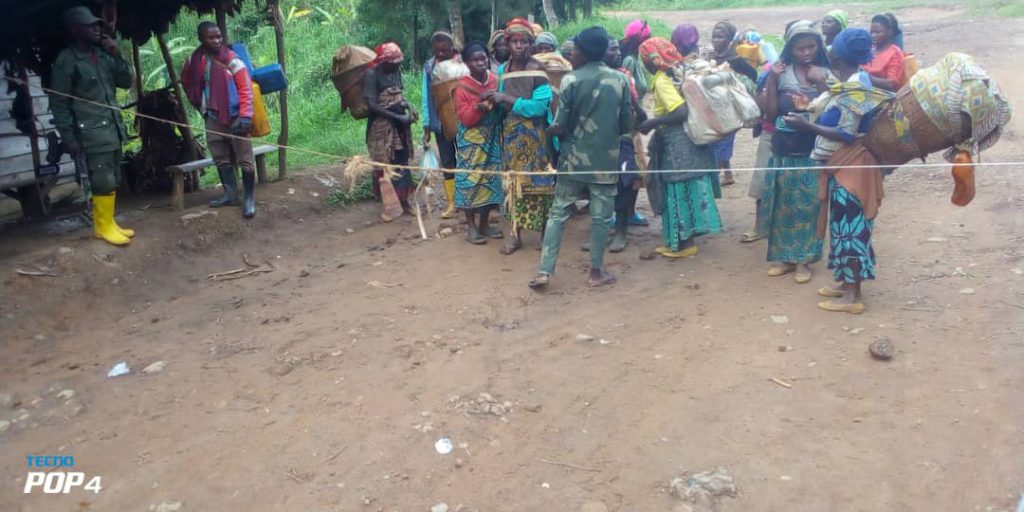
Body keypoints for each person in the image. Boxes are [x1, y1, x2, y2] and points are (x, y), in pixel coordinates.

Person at [783, 28, 891, 314]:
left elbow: (846, 132)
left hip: (852, 166)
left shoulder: (857, 85)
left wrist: (806, 126)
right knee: (841, 228)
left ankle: (853, 297)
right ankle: (845, 284)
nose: (827, 48)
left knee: (851, 230)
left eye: (833, 46)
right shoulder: (850, 80)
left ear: (840, 54)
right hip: (842, 165)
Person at [529, 26, 632, 289]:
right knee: (600, 218)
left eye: (574, 48)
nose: (571, 53)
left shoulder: (570, 80)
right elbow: (625, 125)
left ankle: (544, 271)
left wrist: (550, 130)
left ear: (584, 51)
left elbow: (561, 124)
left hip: (573, 159)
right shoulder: (619, 80)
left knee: (558, 214)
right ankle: (596, 273)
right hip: (605, 161)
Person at [50, 6, 135, 245]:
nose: (97, 29)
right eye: (90, 26)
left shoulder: (103, 54)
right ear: (75, 30)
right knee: (102, 179)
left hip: (113, 128)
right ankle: (102, 227)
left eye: (97, 25)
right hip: (92, 132)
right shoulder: (66, 61)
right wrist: (69, 138)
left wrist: (117, 54)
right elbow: (59, 103)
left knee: (113, 175)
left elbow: (126, 81)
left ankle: (108, 223)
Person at [758, 20, 831, 283]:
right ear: (790, 48)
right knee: (782, 205)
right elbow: (769, 113)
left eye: (811, 47)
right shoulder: (781, 71)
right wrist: (773, 79)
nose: (806, 52)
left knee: (809, 205)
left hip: (812, 148)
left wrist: (820, 84)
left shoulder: (823, 72)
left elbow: (830, 112)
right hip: (783, 147)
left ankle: (804, 261)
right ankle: (783, 258)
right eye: (800, 48)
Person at [637, 36, 723, 259]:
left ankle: (684, 242)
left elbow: (680, 111)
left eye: (644, 58)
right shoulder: (680, 70)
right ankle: (689, 236)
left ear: (651, 60)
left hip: (676, 143)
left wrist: (651, 123)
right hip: (692, 139)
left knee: (676, 189)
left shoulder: (662, 79)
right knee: (688, 187)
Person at [182, 21, 257, 218]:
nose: (216, 41)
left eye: (218, 37)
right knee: (220, 156)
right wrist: (199, 105)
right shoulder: (194, 61)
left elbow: (245, 88)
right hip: (213, 115)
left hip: (236, 116)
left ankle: (248, 199)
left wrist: (246, 116)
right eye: (211, 37)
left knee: (245, 158)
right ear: (201, 39)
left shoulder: (232, 59)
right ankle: (231, 194)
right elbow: (187, 81)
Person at [492, 18, 554, 255]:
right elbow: (500, 102)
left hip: (534, 136)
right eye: (514, 42)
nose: (518, 46)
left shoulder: (538, 69)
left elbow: (539, 107)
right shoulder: (502, 70)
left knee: (538, 183)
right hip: (509, 135)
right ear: (507, 44)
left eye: (523, 41)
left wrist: (507, 100)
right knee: (513, 183)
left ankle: (543, 232)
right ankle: (515, 234)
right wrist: (492, 103)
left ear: (531, 44)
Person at [453, 41, 504, 245]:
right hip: (471, 141)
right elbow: (465, 118)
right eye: (475, 60)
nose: (480, 62)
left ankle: (484, 223)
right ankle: (471, 227)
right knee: (470, 181)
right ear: (467, 63)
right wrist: (479, 106)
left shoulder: (495, 81)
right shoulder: (462, 87)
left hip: (491, 137)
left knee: (490, 180)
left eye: (483, 58)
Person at [363, 42, 416, 222]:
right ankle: (389, 205)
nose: (397, 65)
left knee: (402, 160)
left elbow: (398, 96)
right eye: (394, 62)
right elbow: (371, 105)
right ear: (384, 61)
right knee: (384, 163)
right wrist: (396, 117)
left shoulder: (396, 72)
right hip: (381, 127)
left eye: (399, 62)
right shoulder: (372, 75)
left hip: (399, 126)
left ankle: (405, 201)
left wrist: (409, 106)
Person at [709, 21, 759, 187]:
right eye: (714, 37)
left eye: (720, 37)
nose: (716, 40)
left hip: (730, 109)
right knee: (716, 141)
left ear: (730, 39)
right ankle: (728, 174)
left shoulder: (736, 61)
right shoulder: (709, 58)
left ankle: (712, 180)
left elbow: (753, 76)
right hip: (712, 107)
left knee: (723, 143)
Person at [420, 31, 458, 219]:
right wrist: (427, 126)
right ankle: (452, 202)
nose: (441, 54)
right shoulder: (429, 67)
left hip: (463, 121)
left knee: (467, 160)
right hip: (440, 123)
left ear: (452, 49)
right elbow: (426, 97)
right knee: (448, 161)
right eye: (437, 51)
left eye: (445, 50)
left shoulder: (461, 64)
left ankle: (470, 200)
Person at [862, 13, 905, 91]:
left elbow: (891, 83)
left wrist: (866, 78)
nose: (873, 35)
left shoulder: (894, 54)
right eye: (871, 32)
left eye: (877, 32)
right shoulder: (869, 49)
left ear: (889, 32)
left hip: (881, 96)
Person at [620, 19, 652, 100]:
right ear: (641, 41)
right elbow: (626, 92)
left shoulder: (635, 58)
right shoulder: (629, 60)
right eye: (647, 39)